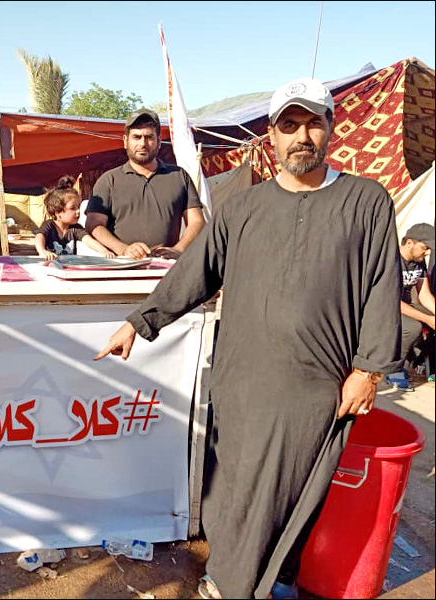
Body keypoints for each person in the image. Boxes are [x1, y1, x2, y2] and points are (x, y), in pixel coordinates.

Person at [95, 78, 402, 599]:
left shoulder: (365, 200)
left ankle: (234, 586)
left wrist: (369, 369)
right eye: (289, 125)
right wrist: (140, 322)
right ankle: (255, 579)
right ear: (272, 136)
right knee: (234, 490)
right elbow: (195, 271)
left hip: (312, 384)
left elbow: (381, 284)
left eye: (312, 124)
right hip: (240, 379)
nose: (301, 137)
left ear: (330, 128)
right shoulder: (243, 208)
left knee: (286, 492)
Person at [85, 108, 206, 260]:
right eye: (136, 137)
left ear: (159, 142)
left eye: (149, 137)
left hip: (167, 267)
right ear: (125, 141)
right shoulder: (109, 181)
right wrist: (124, 249)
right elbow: (94, 224)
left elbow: (197, 221)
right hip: (122, 266)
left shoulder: (179, 176)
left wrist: (179, 250)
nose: (143, 144)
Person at [387, 223, 435, 390]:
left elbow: (424, 294)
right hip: (384, 307)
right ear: (409, 243)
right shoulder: (390, 259)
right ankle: (393, 368)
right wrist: (427, 319)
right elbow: (392, 301)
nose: (427, 252)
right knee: (412, 327)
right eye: (424, 247)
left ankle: (416, 360)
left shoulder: (418, 261)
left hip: (405, 304)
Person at [34, 176, 116, 260]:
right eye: (73, 208)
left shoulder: (75, 228)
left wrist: (104, 251)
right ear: (57, 212)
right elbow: (39, 236)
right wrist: (42, 251)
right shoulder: (49, 225)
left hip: (69, 266)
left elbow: (88, 240)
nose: (78, 211)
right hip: (51, 264)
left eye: (78, 207)